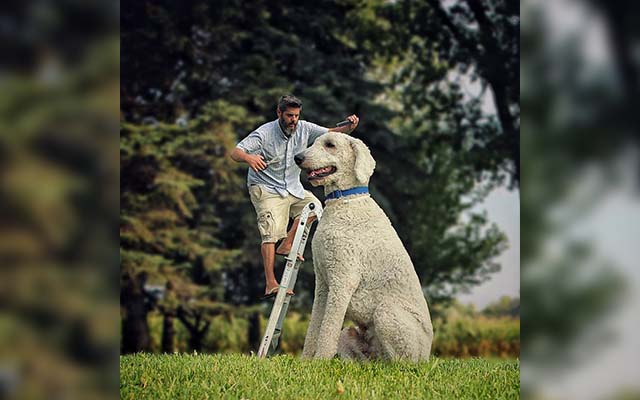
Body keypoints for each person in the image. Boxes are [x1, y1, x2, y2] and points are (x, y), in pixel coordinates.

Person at [230, 95, 359, 299]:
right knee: (270, 233)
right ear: (279, 113)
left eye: (296, 115)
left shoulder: (304, 128)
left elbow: (331, 133)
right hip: (266, 188)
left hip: (291, 187)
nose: (293, 120)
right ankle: (270, 283)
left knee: (314, 207)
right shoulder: (264, 133)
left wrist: (349, 127)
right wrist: (249, 158)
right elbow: (236, 152)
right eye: (289, 115)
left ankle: (287, 244)